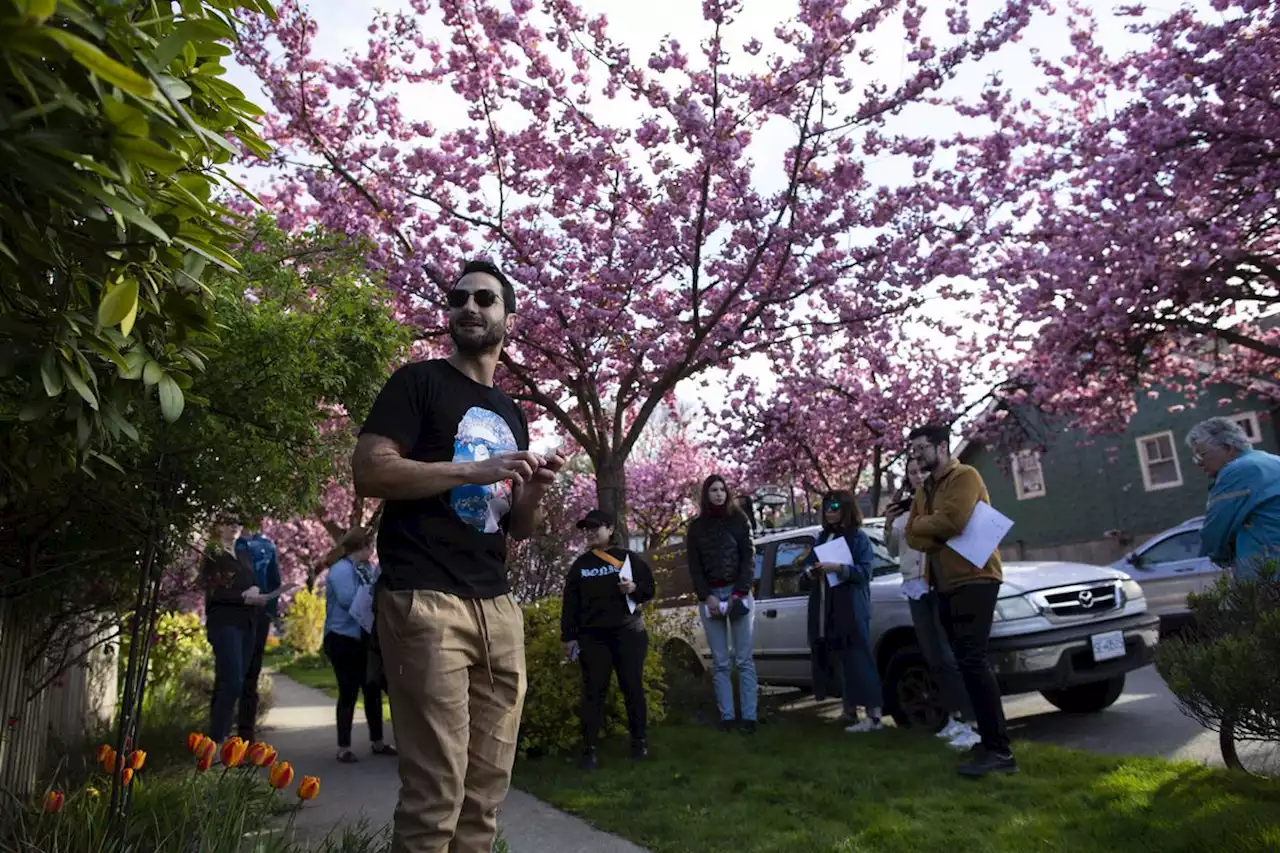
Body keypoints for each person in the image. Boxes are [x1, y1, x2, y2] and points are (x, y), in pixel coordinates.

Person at [352, 259, 565, 853]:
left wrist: (534, 491)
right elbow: (369, 470)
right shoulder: (416, 383)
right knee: (435, 795)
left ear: (508, 318)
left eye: (485, 299)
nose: (469, 307)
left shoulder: (511, 412)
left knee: (484, 800)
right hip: (424, 600)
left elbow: (518, 526)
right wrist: (474, 468)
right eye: (459, 298)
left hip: (497, 609)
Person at [904, 423, 1016, 777]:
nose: (916, 456)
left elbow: (954, 521)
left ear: (941, 446)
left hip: (976, 577)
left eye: (921, 448)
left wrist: (930, 527)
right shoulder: (925, 489)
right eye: (912, 450)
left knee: (972, 659)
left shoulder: (964, 475)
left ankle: (1000, 751)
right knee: (966, 663)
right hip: (946, 582)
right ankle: (989, 741)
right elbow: (911, 535)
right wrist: (931, 529)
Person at [884, 458, 979, 749]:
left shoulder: (939, 501)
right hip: (912, 583)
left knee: (949, 653)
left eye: (921, 471)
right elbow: (891, 549)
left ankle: (971, 719)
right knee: (932, 655)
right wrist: (889, 521)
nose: (917, 476)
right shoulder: (904, 510)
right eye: (911, 473)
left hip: (937, 580)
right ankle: (951, 717)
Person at [560, 508, 656, 770]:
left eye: (595, 527)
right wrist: (569, 637)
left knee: (632, 688)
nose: (590, 532)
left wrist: (633, 589)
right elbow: (570, 604)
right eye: (586, 529)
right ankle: (589, 749)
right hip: (593, 637)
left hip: (628, 633)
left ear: (610, 529)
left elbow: (649, 589)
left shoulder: (628, 559)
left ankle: (639, 742)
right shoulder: (580, 565)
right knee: (593, 692)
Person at [685, 474, 759, 733]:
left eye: (722, 489)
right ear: (706, 495)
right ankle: (726, 717)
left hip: (738, 592)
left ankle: (749, 718)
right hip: (711, 595)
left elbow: (749, 559)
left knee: (744, 659)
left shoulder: (739, 521)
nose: (718, 494)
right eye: (713, 490)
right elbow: (694, 566)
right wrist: (707, 596)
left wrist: (739, 593)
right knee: (720, 661)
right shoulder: (696, 528)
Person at [806, 490, 885, 732]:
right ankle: (849, 709)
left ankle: (874, 716)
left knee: (859, 657)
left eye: (835, 506)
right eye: (826, 507)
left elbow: (864, 573)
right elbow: (809, 565)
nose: (830, 511)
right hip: (826, 607)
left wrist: (839, 568)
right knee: (840, 659)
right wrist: (811, 571)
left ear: (847, 508)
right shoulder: (822, 537)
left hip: (851, 606)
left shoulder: (858, 538)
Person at [323, 532, 395, 763]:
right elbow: (348, 600)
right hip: (342, 637)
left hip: (363, 637)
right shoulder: (341, 570)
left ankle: (378, 741)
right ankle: (343, 747)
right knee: (348, 691)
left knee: (371, 688)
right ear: (362, 546)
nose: (372, 551)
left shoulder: (364, 568)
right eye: (370, 546)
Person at [1186, 416, 1280, 581]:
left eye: (1202, 455)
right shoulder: (1273, 461)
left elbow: (1214, 532)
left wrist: (1222, 557)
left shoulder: (1237, 471)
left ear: (1228, 448)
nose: (1199, 463)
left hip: (1267, 571)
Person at [202, 517, 267, 745]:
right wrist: (243, 596)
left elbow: (253, 580)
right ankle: (218, 739)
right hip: (225, 622)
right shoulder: (213, 554)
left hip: (247, 623)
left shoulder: (244, 554)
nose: (235, 525)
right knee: (231, 680)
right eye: (229, 521)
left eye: (239, 521)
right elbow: (214, 591)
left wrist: (256, 589)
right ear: (218, 525)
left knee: (237, 681)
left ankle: (220, 740)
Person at [235, 519, 281, 743]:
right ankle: (222, 735)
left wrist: (269, 613)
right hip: (233, 615)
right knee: (232, 675)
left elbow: (274, 582)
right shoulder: (232, 545)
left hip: (259, 616)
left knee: (251, 676)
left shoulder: (267, 546)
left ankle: (245, 734)